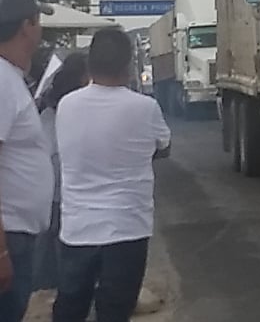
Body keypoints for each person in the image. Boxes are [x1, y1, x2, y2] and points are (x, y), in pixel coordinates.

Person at [53, 29, 171, 322]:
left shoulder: (67, 105)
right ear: (128, 66)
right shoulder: (145, 108)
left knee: (69, 307)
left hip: (77, 229)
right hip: (127, 229)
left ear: (90, 65)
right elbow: (163, 148)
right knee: (115, 311)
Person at [0, 0, 55, 322]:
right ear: (27, 25)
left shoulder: (11, 79)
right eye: (38, 19)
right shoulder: (3, 82)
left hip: (17, 234)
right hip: (10, 236)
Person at [33, 52, 90, 291]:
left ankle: (50, 284)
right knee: (56, 237)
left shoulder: (52, 109)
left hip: (56, 186)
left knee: (52, 236)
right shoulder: (68, 109)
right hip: (59, 186)